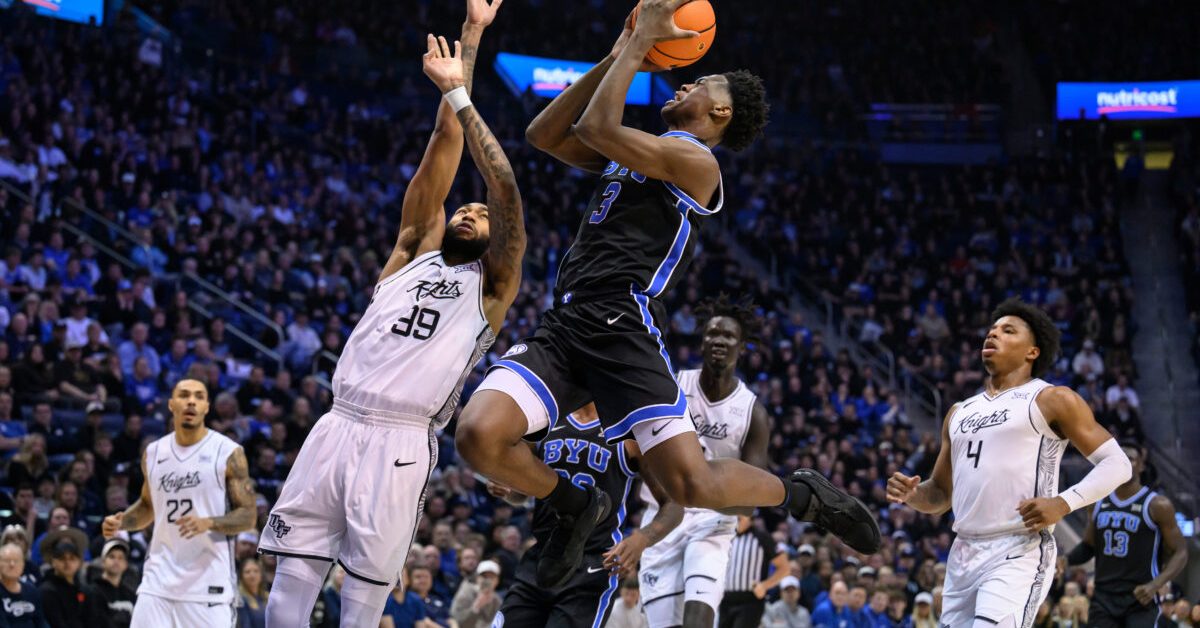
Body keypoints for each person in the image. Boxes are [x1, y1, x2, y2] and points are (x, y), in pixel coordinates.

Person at [457, 0, 879, 592]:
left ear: (721, 110)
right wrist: (616, 53)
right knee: (477, 435)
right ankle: (574, 505)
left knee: (692, 486)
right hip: (567, 321)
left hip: (621, 324)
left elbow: (597, 129)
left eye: (699, 81)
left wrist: (638, 45)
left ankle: (805, 494)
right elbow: (546, 135)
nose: (684, 80)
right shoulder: (645, 150)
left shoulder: (696, 161)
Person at [257, 2, 525, 626]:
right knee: (288, 585)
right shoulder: (410, 252)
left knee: (362, 600)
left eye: (479, 215)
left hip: (402, 442)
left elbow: (503, 189)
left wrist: (464, 94)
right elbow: (445, 140)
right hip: (336, 423)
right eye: (464, 208)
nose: (468, 211)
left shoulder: (493, 288)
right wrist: (471, 36)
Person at [888, 298, 1133, 628]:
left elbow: (1118, 463)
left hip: (1018, 547)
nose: (993, 335)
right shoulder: (959, 412)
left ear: (1032, 351)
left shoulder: (1052, 399)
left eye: (1007, 330)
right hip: (962, 551)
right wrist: (913, 495)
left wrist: (1063, 503)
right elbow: (941, 494)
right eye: (990, 331)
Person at [639, 295, 773, 627]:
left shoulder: (752, 412)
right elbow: (643, 448)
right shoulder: (673, 387)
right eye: (712, 333)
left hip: (715, 521)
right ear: (702, 341)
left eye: (728, 336)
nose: (718, 340)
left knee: (698, 618)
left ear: (742, 347)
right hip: (663, 515)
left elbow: (750, 500)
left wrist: (701, 494)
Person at [490, 403, 684, 628]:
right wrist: (510, 488)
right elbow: (522, 493)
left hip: (591, 566)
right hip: (541, 556)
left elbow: (674, 504)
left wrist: (642, 539)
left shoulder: (629, 431)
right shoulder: (545, 418)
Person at [100, 379, 256, 626]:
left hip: (207, 584)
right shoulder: (153, 452)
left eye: (199, 396)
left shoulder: (227, 452)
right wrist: (122, 521)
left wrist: (208, 523)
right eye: (184, 395)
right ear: (171, 404)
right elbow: (147, 506)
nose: (191, 401)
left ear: (206, 407)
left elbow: (248, 515)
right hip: (157, 582)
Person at [1068, 444, 1188, 627]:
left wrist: (1156, 585)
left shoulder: (1158, 505)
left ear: (1141, 465)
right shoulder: (1097, 502)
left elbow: (1181, 552)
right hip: (1103, 598)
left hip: (1140, 597)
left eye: (1131, 458)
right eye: (1120, 458)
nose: (1125, 462)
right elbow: (1088, 546)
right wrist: (1064, 560)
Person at [718, 515, 790, 628]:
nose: (736, 514)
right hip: (725, 601)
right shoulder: (726, 537)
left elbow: (785, 568)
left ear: (749, 514)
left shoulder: (762, 537)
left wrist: (765, 586)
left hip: (750, 602)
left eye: (740, 512)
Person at [36, 528, 108, 628]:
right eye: (62, 558)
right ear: (53, 561)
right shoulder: (46, 591)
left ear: (79, 562)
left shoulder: (85, 590)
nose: (67, 563)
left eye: (72, 559)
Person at [90, 538, 137, 628]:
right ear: (103, 562)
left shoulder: (130, 594)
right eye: (112, 556)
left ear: (126, 564)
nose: (116, 561)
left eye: (120, 558)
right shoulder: (93, 591)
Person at [0, 542, 47, 627]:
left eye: (16, 561)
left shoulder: (32, 591)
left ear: (23, 565)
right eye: (7, 560)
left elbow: (41, 622)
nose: (12, 564)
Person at [449, 559, 502, 628]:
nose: (488, 580)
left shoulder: (497, 600)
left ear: (497, 580)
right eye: (485, 576)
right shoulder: (465, 592)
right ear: (477, 578)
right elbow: (456, 621)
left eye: (491, 577)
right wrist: (476, 607)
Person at [238, 558, 269, 628]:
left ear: (261, 575)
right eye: (247, 572)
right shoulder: (240, 600)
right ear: (241, 576)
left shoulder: (268, 597)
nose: (252, 575)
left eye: (256, 571)